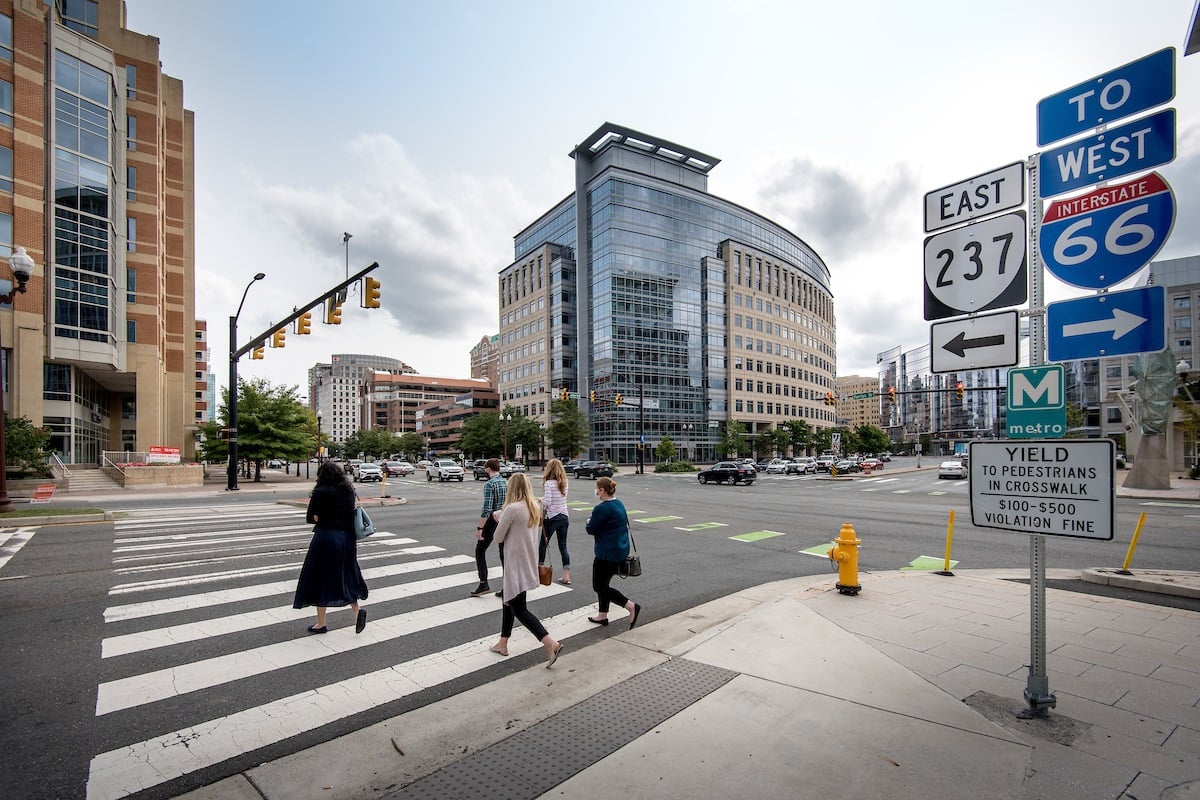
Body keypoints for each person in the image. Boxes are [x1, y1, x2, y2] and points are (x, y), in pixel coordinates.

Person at [489, 473, 564, 667]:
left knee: (519, 608)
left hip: (514, 563)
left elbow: (498, 537)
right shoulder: (533, 506)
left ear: (512, 488)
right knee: (509, 601)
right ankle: (503, 642)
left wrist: (499, 518)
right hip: (526, 562)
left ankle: (550, 643)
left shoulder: (512, 509)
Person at [293, 461, 368, 634]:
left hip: (326, 537)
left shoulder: (320, 492)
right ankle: (357, 614)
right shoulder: (349, 491)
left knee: (320, 577)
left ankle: (321, 623)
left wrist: (322, 517)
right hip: (347, 539)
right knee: (346, 574)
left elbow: (312, 517)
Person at [585, 476, 641, 629]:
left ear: (602, 490)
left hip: (606, 553)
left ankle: (630, 606)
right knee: (604, 583)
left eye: (597, 489)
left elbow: (591, 529)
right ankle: (602, 615)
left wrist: (588, 521)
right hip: (620, 550)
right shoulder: (619, 504)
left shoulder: (601, 508)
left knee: (599, 586)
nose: (596, 491)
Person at [471, 458, 506, 597]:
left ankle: (483, 582)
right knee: (504, 554)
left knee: (480, 550)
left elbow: (487, 508)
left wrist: (480, 528)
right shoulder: (506, 482)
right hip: (505, 519)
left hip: (492, 520)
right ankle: (507, 586)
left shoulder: (490, 484)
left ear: (488, 469)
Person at [538, 458, 571, 585]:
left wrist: (541, 500)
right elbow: (559, 499)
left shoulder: (549, 484)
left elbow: (548, 503)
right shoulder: (565, 482)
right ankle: (566, 575)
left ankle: (540, 570)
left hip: (551, 518)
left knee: (543, 544)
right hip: (564, 516)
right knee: (563, 546)